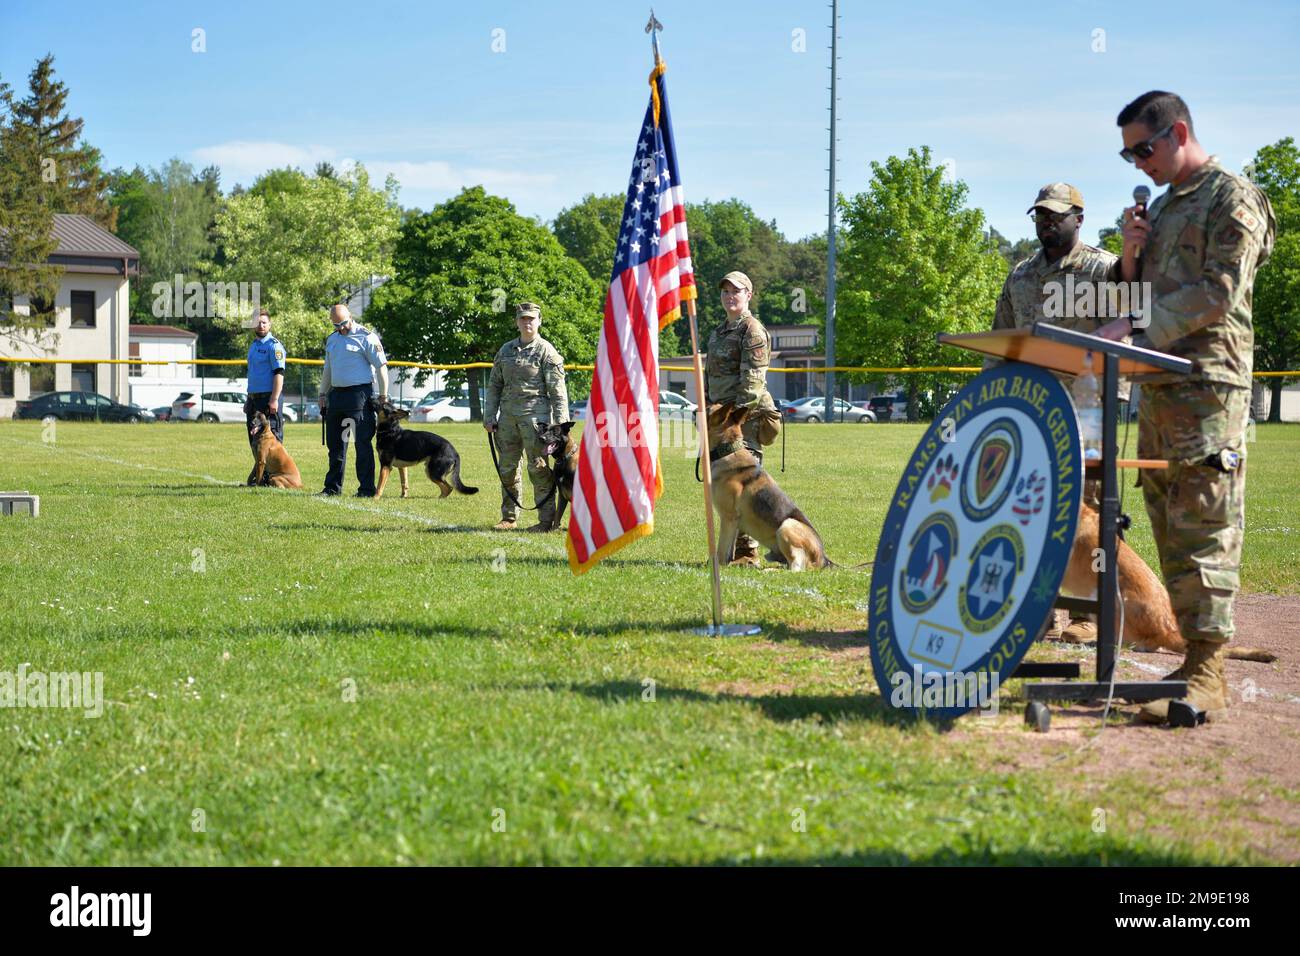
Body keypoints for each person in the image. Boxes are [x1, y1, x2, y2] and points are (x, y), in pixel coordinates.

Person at [1095, 91, 1275, 724]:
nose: (1137, 163)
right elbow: (1144, 294)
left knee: (1205, 520)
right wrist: (1133, 253)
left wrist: (1136, 327)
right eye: (1128, 154)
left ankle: (1208, 670)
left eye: (1143, 148)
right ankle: (1191, 658)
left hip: (1208, 388)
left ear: (1177, 133)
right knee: (1166, 519)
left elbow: (1219, 292)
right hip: (1158, 385)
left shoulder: (1233, 197)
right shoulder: (1164, 209)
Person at [992, 183, 1118, 642]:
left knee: (1088, 511)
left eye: (1056, 215)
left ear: (1079, 218)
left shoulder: (1105, 270)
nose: (1047, 223)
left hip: (1088, 409)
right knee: (1027, 507)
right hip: (1032, 410)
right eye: (1040, 216)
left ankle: (1087, 614)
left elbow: (1134, 329)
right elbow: (1001, 340)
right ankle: (1039, 610)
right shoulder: (1020, 275)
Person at [705, 270, 781, 565]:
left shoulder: (752, 330)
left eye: (736, 291)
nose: (729, 296)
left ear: (748, 295)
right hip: (722, 418)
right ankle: (734, 551)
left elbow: (753, 382)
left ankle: (748, 553)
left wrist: (732, 419)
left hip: (743, 420)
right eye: (725, 291)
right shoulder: (720, 330)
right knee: (727, 486)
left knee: (745, 484)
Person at [484, 302, 569, 531]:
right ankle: (509, 517)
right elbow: (494, 386)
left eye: (531, 318)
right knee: (507, 469)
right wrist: (489, 415)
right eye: (523, 318)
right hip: (507, 420)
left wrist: (561, 426)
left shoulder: (546, 351)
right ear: (517, 322)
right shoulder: (505, 351)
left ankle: (546, 520)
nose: (527, 322)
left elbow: (558, 393)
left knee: (539, 468)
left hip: (536, 421)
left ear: (539, 321)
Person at [319, 304, 389, 497]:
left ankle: (366, 489)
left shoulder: (367, 337)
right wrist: (322, 394)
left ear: (351, 316)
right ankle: (332, 488)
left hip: (360, 397)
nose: (340, 328)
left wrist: (383, 396)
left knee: (362, 444)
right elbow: (328, 370)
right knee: (336, 445)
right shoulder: (332, 340)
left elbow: (381, 367)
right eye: (336, 325)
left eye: (343, 323)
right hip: (336, 396)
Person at [244, 308, 286, 485]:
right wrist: (248, 398)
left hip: (268, 398)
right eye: (258, 322)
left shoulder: (274, 346)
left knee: (271, 439)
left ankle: (271, 478)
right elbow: (253, 373)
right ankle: (258, 478)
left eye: (264, 322)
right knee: (254, 439)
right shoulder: (254, 345)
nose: (261, 325)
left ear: (269, 325)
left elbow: (279, 373)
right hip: (254, 398)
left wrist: (274, 399)